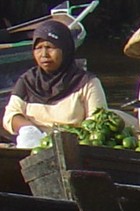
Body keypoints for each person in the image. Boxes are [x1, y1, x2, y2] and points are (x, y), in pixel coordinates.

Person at [3, 20, 108, 148]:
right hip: (34, 145)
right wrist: (28, 129)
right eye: (38, 48)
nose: (44, 55)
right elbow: (11, 115)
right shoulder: (27, 81)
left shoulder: (87, 82)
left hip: (75, 148)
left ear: (65, 49)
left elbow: (98, 122)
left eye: (50, 47)